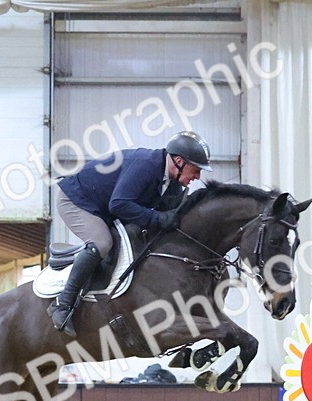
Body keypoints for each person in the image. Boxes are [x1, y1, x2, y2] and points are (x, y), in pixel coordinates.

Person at [49, 130, 213, 336]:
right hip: (76, 200)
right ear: (179, 161)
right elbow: (119, 205)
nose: (197, 177)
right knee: (101, 243)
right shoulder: (146, 165)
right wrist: (157, 219)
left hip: (104, 207)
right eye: (196, 169)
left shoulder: (172, 184)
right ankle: (63, 304)